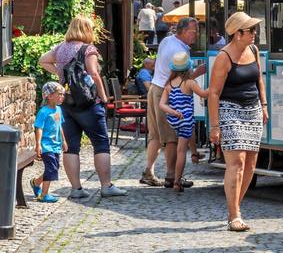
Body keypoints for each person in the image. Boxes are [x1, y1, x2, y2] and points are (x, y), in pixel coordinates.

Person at [38, 16, 126, 198]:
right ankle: (106, 186)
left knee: (71, 147)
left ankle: (76, 189)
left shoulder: (60, 48)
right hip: (89, 103)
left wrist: (62, 74)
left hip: (67, 104)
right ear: (87, 29)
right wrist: (103, 96)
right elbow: (94, 74)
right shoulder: (88, 50)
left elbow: (43, 60)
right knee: (101, 143)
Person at [208, 12, 268, 232]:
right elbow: (213, 93)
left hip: (252, 110)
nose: (255, 33)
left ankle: (235, 208)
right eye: (251, 30)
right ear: (237, 33)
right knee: (237, 163)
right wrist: (214, 126)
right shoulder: (224, 56)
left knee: (251, 163)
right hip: (229, 111)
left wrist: (264, 105)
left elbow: (259, 79)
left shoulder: (253, 50)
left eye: (254, 29)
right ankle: (234, 215)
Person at [141, 17, 207, 188]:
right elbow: (180, 81)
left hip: (156, 88)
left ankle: (148, 172)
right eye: (195, 31)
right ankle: (171, 177)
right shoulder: (179, 51)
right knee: (172, 138)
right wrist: (199, 72)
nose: (197, 34)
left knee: (156, 136)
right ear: (184, 31)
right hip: (168, 93)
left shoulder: (166, 40)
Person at [160, 52, 210, 192]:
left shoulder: (169, 84)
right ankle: (177, 182)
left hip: (173, 120)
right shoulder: (189, 83)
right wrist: (216, 85)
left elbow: (162, 105)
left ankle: (194, 153)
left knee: (186, 136)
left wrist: (174, 112)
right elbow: (204, 94)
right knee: (181, 151)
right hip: (185, 119)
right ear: (188, 68)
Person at [30, 82, 67, 203]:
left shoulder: (59, 109)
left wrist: (63, 141)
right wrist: (38, 144)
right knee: (51, 168)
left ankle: (36, 182)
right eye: (59, 94)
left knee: (53, 168)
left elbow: (60, 126)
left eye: (63, 94)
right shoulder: (43, 112)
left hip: (56, 145)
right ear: (49, 96)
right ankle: (43, 194)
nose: (62, 97)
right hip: (46, 145)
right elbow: (39, 128)